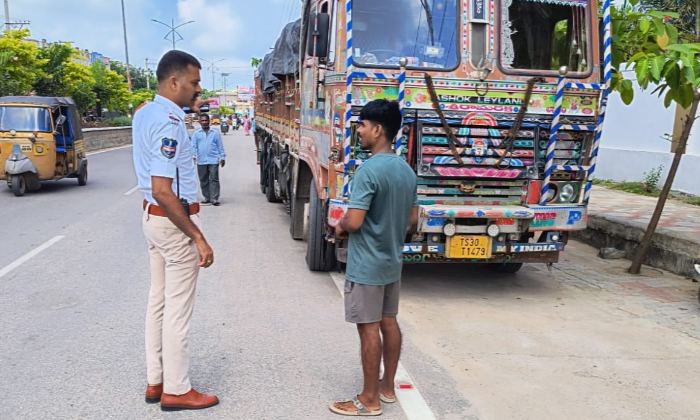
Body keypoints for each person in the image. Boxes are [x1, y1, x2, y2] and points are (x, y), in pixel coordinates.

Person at [132, 50, 219, 412]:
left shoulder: (145, 113)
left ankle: (156, 380)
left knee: (159, 301)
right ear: (174, 82)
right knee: (177, 310)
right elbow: (163, 188)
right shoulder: (168, 121)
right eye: (194, 82)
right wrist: (197, 236)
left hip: (153, 221)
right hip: (172, 221)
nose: (197, 89)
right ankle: (177, 389)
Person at [330, 99, 418, 417]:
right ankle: (387, 387)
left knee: (368, 328)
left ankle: (369, 399)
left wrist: (338, 228)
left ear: (378, 129)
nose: (361, 132)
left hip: (366, 263)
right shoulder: (406, 171)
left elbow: (353, 221)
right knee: (389, 323)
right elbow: (412, 219)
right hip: (392, 261)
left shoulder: (368, 170)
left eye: (363, 126)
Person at [191, 114, 226, 206]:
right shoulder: (196, 134)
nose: (204, 122)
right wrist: (193, 156)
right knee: (203, 179)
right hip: (201, 161)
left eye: (206, 120)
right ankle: (207, 197)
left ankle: (214, 198)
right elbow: (193, 146)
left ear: (209, 121)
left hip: (213, 160)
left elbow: (220, 146)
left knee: (214, 179)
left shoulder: (215, 133)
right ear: (199, 122)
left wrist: (222, 157)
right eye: (202, 121)